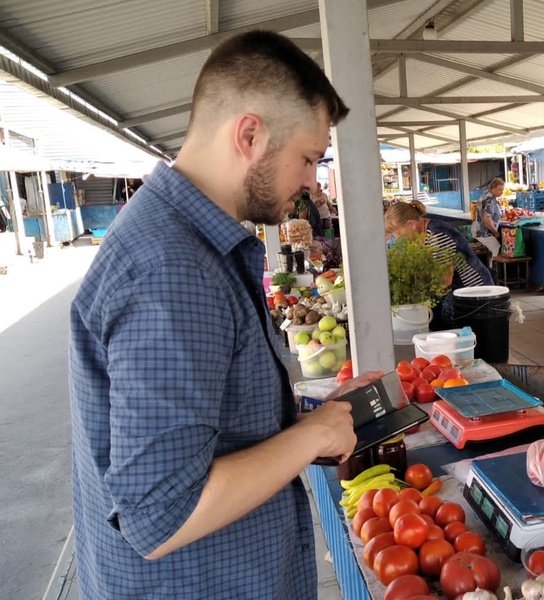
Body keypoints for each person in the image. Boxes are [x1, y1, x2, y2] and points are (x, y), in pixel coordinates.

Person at [69, 31, 385, 599]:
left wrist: (308, 419)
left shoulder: (184, 241)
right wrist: (309, 437)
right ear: (249, 134)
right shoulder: (173, 269)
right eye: (309, 158)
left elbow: (213, 422)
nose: (313, 182)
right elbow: (161, 515)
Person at [385, 200, 493, 329]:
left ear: (411, 224)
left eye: (397, 233)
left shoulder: (437, 236)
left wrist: (415, 290)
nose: (396, 238)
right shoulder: (422, 234)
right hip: (455, 296)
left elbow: (444, 280)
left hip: (472, 297)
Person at [472, 177, 505, 258]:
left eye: (502, 190)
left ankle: (491, 268)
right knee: (497, 248)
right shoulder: (489, 199)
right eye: (499, 189)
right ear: (492, 188)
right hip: (483, 233)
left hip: (478, 231)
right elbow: (487, 220)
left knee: (493, 250)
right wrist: (496, 233)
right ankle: (494, 269)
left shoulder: (486, 195)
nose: (501, 192)